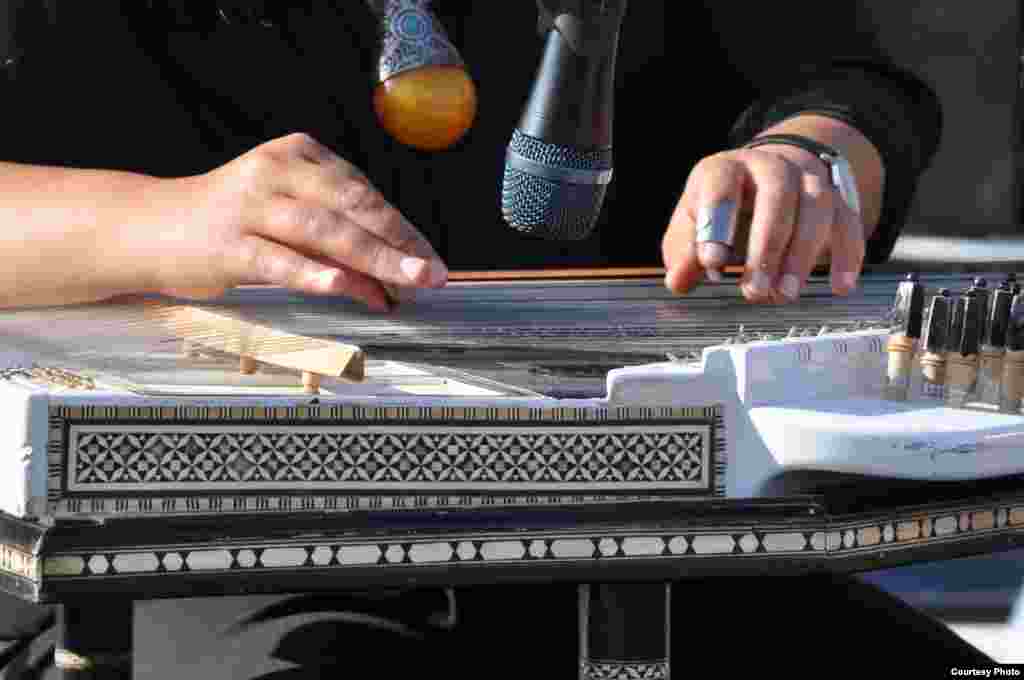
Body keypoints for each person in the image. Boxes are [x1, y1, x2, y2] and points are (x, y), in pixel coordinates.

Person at [0, 1, 993, 677]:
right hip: (184, 536)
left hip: (624, 506)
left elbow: (842, 78)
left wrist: (805, 159)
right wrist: (162, 218)